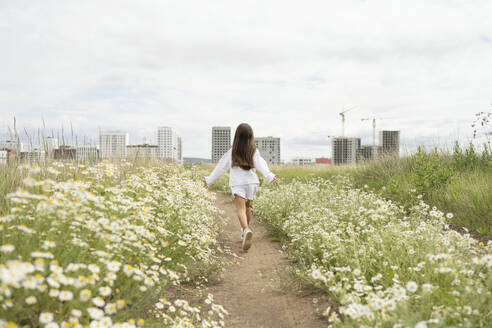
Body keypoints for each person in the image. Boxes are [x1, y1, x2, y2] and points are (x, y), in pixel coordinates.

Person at [204, 123, 278, 251]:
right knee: (247, 207)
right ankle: (245, 231)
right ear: (251, 137)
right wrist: (269, 176)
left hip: (238, 183)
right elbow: (261, 165)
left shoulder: (231, 152)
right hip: (251, 183)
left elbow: (221, 168)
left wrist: (209, 180)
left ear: (237, 137)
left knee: (240, 209)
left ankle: (245, 229)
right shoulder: (254, 151)